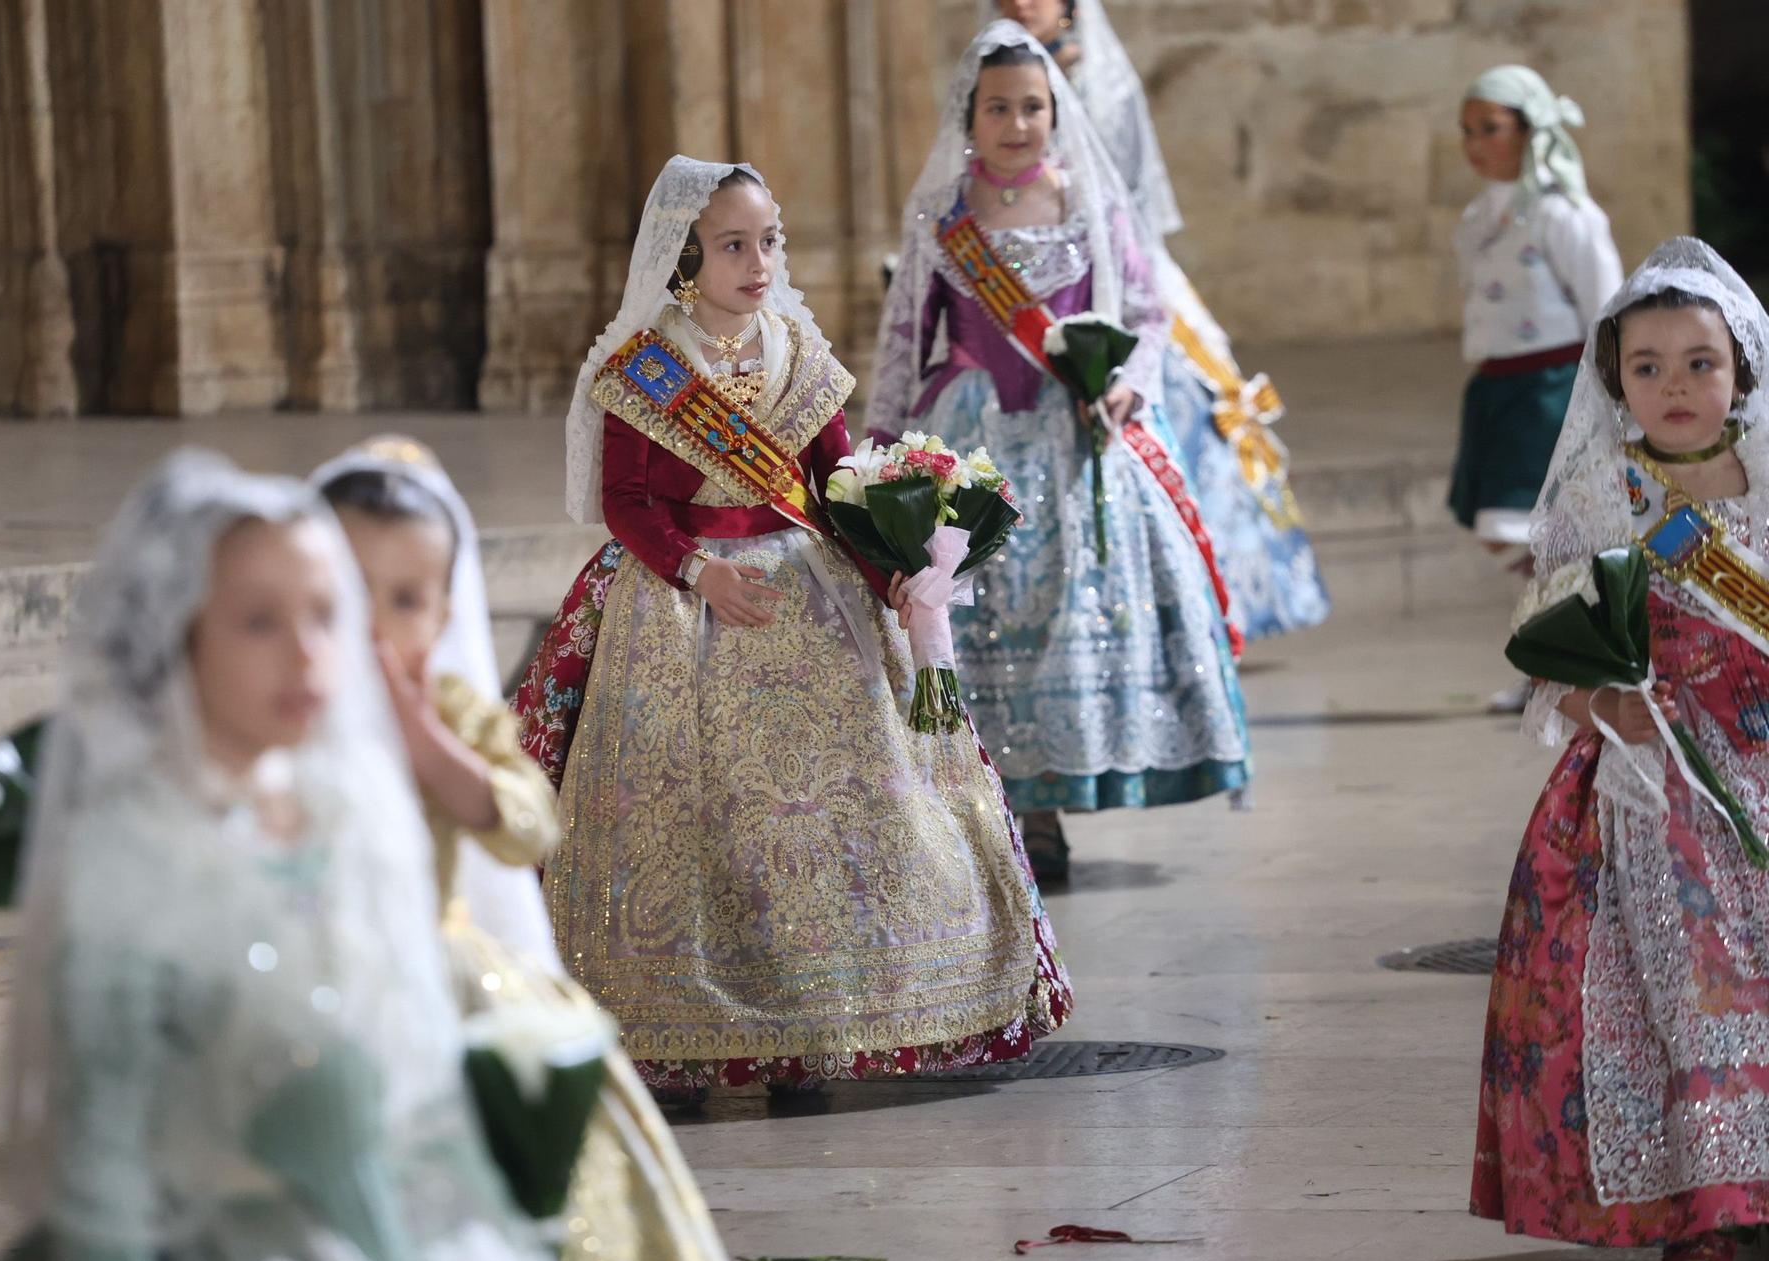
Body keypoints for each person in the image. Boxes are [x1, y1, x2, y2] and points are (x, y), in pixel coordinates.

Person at [0, 449, 569, 1261]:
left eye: (325, 614)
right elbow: (105, 1167)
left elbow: (425, 1123)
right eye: (258, 621)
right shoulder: (133, 857)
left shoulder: (349, 811)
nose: (309, 654)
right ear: (178, 631)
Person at [522, 154, 1070, 1100]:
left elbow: (832, 487)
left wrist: (892, 573)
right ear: (686, 259)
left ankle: (824, 1022)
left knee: (851, 799)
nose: (759, 260)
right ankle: (680, 1034)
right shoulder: (647, 364)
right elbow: (625, 500)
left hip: (809, 593)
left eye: (769, 240)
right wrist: (695, 568)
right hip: (681, 595)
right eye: (735, 244)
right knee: (691, 809)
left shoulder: (799, 355)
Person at [314, 438, 753, 1261]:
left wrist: (422, 739)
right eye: (346, 591)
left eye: (403, 600)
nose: (372, 624)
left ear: (442, 615)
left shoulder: (454, 713)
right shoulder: (285, 705)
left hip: (440, 974)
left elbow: (526, 823)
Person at [864, 19, 1250, 880]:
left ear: (1055, 112)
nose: (1017, 124)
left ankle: (1048, 801)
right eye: (998, 107)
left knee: (1060, 623)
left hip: (1071, 439)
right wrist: (878, 457)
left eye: (1032, 106)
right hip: (972, 446)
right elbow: (901, 342)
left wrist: (1128, 383)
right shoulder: (941, 215)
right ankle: (1000, 802)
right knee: (979, 621)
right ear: (970, 116)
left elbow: (1149, 316)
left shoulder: (1090, 203)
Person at [1471, 238, 1769, 1261]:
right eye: (1646, 366)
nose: (1674, 385)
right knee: (1688, 980)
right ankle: (1708, 1201)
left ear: (1739, 370)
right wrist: (1600, 700)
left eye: (1699, 362)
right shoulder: (1601, 497)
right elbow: (1546, 648)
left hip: (1761, 758)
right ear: (1611, 379)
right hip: (1653, 779)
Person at [996, 0, 1330, 641]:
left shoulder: (1098, 79)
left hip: (1113, 275)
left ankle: (1192, 606)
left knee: (1172, 436)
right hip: (1023, 276)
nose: (1018, 3)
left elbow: (1126, 195)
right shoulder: (992, 69)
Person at [1452, 64, 1624, 710]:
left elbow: (1604, 305)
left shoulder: (1563, 212)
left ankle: (1572, 645)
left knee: (1523, 528)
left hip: (1550, 387)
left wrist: (1608, 395)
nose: (1475, 143)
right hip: (1499, 387)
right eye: (1467, 130)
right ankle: (1561, 652)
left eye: (1490, 128)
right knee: (1513, 531)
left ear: (1528, 131)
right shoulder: (1477, 218)